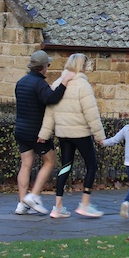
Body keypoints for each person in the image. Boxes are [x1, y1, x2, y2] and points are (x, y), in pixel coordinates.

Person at [38, 53, 106, 219]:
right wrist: (99, 135)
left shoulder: (57, 84)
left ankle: (58, 206)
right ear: (82, 67)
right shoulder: (83, 86)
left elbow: (50, 113)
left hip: (63, 134)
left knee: (65, 167)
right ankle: (85, 203)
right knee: (91, 165)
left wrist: (44, 134)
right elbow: (91, 113)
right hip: (81, 133)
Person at [14, 50, 75, 215]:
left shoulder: (21, 82)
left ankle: (22, 204)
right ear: (43, 67)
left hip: (20, 129)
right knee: (50, 161)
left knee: (26, 165)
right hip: (36, 132)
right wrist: (64, 82)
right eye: (47, 64)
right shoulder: (39, 83)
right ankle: (33, 196)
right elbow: (51, 98)